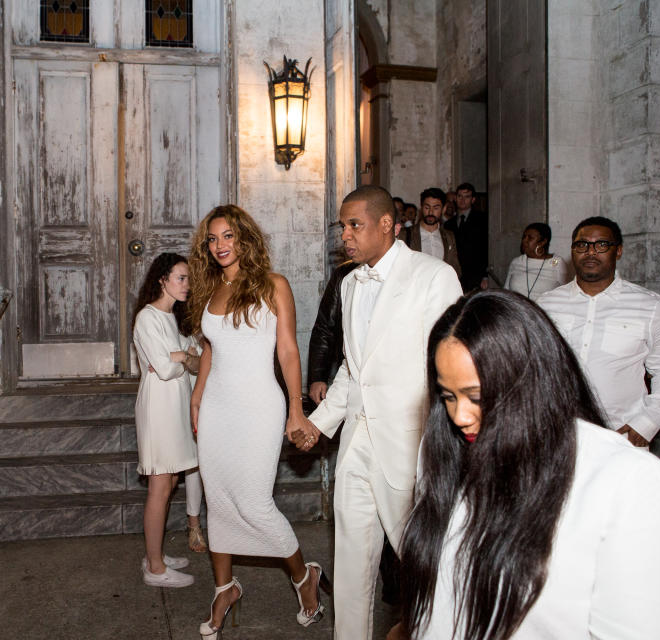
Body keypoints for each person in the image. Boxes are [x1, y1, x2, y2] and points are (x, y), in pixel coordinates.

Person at [390, 290, 660, 639]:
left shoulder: (629, 483)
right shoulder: (447, 448)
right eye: (448, 396)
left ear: (531, 382)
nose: (459, 416)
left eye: (477, 396)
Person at [294, 185, 462, 640]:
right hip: (356, 443)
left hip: (408, 443)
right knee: (350, 562)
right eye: (342, 226)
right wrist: (320, 424)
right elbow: (354, 366)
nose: (345, 235)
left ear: (387, 224)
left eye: (355, 225)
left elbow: (448, 361)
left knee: (425, 562)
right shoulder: (350, 283)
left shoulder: (433, 275)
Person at [187, 205, 326, 638]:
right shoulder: (212, 287)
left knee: (253, 502)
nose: (219, 246)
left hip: (259, 407)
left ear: (244, 237)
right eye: (212, 239)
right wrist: (197, 394)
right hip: (217, 408)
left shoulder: (273, 285)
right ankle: (225, 587)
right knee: (219, 500)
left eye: (227, 236)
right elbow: (211, 346)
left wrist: (296, 408)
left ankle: (304, 577)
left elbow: (287, 350)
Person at [538, 216, 660, 449]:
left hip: (621, 436)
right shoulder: (547, 304)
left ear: (618, 251)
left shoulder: (649, 306)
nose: (590, 252)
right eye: (582, 245)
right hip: (557, 436)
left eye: (601, 245)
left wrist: (649, 421)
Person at [132, 253, 203, 588]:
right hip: (158, 407)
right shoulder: (147, 317)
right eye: (180, 278)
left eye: (188, 278)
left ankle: (154, 553)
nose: (186, 285)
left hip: (174, 403)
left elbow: (192, 359)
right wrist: (180, 358)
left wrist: (178, 357)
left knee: (171, 480)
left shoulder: (173, 318)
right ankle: (155, 569)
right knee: (160, 486)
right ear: (162, 279)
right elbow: (164, 368)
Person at [306, 260, 359, 406]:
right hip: (348, 377)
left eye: (356, 234)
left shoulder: (413, 271)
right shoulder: (345, 274)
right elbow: (325, 328)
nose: (345, 236)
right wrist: (317, 377)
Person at [404, 187, 462, 278]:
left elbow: (455, 269)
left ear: (443, 209)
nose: (431, 212)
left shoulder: (449, 237)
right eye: (427, 207)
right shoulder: (407, 234)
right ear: (422, 207)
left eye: (436, 208)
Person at [503, 222, 568, 300]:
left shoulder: (557, 262)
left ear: (543, 242)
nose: (524, 241)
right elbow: (506, 291)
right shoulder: (517, 262)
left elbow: (565, 293)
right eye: (524, 237)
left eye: (530, 238)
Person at [443, 182, 487, 292]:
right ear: (455, 198)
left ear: (473, 200)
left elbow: (486, 248)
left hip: (476, 275)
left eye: (467, 197)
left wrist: (485, 275)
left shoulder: (482, 220)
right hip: (455, 275)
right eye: (459, 196)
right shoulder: (449, 224)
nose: (462, 200)